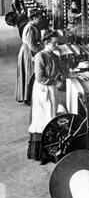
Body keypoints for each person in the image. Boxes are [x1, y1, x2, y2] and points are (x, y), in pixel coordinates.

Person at [28, 31, 65, 162]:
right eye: (54, 43)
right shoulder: (40, 56)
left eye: (57, 42)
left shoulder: (54, 56)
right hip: (42, 90)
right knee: (42, 118)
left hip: (52, 90)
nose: (56, 44)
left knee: (51, 118)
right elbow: (39, 78)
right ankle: (41, 154)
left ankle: (50, 152)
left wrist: (73, 75)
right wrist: (56, 82)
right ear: (46, 43)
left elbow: (62, 70)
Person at [16, 9, 42, 104]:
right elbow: (32, 45)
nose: (41, 19)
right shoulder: (30, 28)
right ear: (34, 18)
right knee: (29, 74)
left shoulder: (33, 26)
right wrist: (42, 51)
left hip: (28, 50)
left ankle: (27, 96)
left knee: (29, 73)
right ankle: (27, 98)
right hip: (27, 52)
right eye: (39, 17)